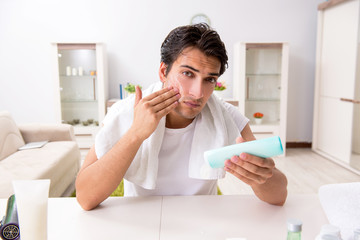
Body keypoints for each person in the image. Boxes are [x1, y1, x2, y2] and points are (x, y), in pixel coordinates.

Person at [75, 23, 288, 211]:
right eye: (187, 74)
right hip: (140, 221)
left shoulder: (226, 116)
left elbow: (278, 197)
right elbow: (85, 198)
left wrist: (261, 176)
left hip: (201, 223)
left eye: (210, 79)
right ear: (163, 71)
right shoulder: (125, 112)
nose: (197, 93)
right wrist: (136, 134)